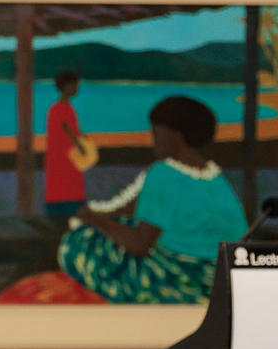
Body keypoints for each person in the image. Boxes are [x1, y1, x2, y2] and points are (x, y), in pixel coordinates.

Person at [55, 94, 247, 304]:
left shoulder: (164, 173)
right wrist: (104, 215)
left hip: (180, 273)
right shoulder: (214, 176)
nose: (152, 142)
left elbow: (140, 245)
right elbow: (139, 209)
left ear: (175, 135)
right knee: (119, 225)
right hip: (220, 274)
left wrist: (93, 218)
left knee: (81, 241)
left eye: (155, 134)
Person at [43, 70, 92, 215]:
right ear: (64, 87)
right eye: (74, 85)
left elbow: (70, 129)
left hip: (62, 160)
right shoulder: (62, 108)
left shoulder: (58, 108)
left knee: (61, 191)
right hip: (66, 160)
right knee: (69, 192)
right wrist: (80, 146)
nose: (76, 89)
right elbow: (67, 129)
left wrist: (81, 136)